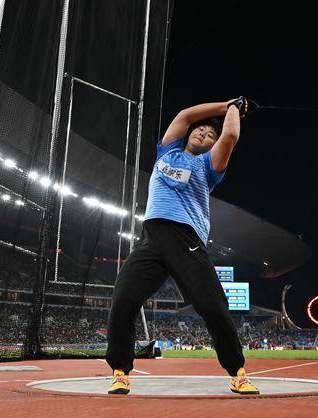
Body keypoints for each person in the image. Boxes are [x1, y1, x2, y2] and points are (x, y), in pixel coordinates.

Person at [106, 97, 259, 395]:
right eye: (201, 130)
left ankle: (237, 372)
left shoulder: (209, 165)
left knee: (212, 307)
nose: (204, 133)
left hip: (186, 239)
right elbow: (185, 114)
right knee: (123, 300)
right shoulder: (168, 151)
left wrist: (234, 109)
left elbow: (230, 135)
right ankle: (120, 372)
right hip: (151, 238)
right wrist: (225, 103)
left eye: (210, 135)